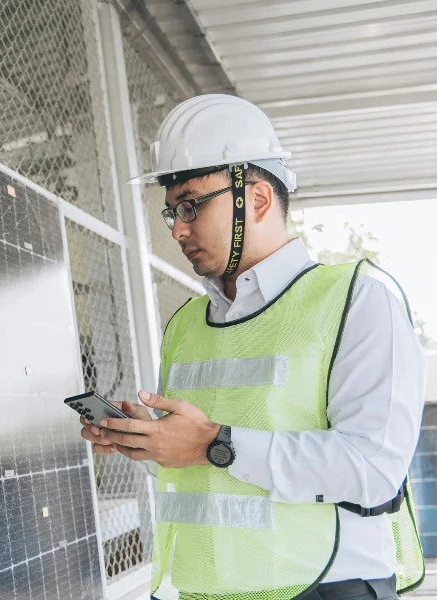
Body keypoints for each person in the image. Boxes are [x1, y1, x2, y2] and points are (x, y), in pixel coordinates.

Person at [80, 94, 426, 600]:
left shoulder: (357, 298)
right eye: (171, 211)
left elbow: (372, 469)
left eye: (192, 205)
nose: (177, 228)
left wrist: (209, 443)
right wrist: (152, 441)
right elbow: (213, 465)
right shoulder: (186, 325)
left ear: (258, 199)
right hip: (208, 591)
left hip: (326, 587)